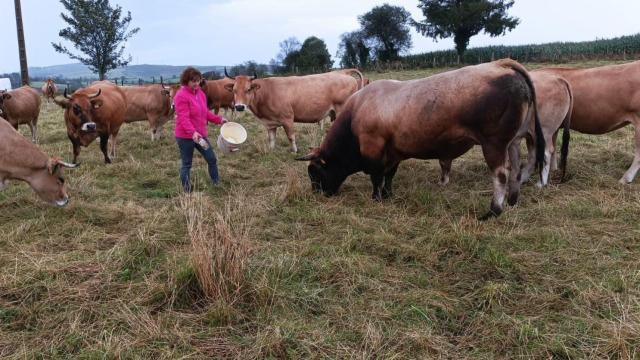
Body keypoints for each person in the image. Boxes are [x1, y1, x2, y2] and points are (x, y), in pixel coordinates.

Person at [174, 67, 226, 192]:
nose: (196, 84)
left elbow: (205, 113)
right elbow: (183, 118)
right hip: (185, 137)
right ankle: (187, 191)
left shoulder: (201, 94)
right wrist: (192, 132)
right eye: (193, 81)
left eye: (198, 81)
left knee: (211, 159)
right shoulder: (181, 96)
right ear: (186, 81)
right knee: (187, 164)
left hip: (200, 136)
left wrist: (219, 120)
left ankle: (216, 184)